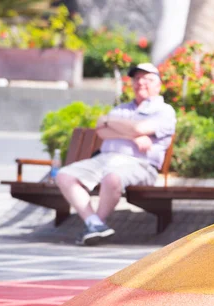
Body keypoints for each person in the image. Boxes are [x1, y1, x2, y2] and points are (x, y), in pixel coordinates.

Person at [56, 63, 176, 245]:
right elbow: (101, 130)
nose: (141, 82)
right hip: (105, 159)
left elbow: (138, 127)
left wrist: (111, 122)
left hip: (140, 164)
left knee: (112, 178)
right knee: (65, 175)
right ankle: (94, 224)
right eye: (137, 79)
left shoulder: (164, 110)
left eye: (147, 79)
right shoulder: (121, 109)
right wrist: (133, 136)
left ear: (158, 85)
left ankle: (97, 223)